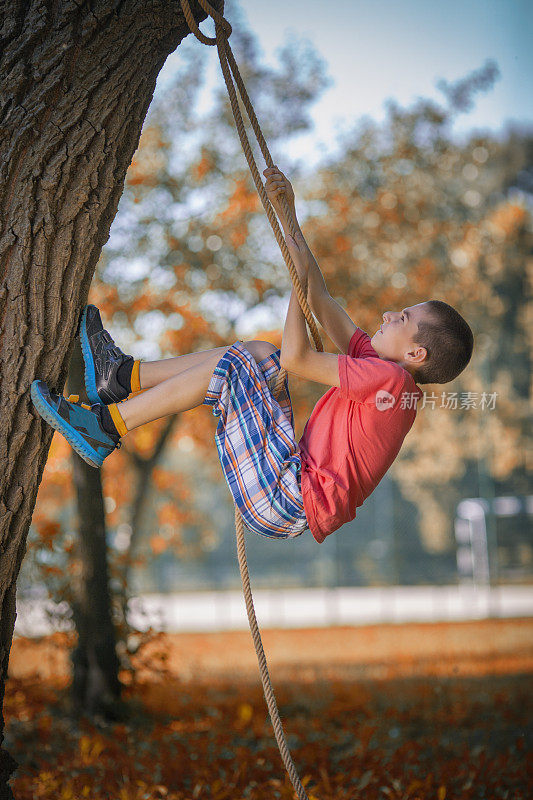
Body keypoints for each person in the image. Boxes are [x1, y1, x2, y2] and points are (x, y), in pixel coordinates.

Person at [30, 167, 474, 543]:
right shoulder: (379, 369)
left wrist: (295, 290)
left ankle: (105, 426)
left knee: (243, 364)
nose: (388, 313)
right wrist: (289, 219)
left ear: (416, 352)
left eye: (402, 318)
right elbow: (320, 299)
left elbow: (298, 358)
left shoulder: (391, 385)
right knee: (260, 354)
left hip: (290, 498)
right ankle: (121, 378)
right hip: (287, 483)